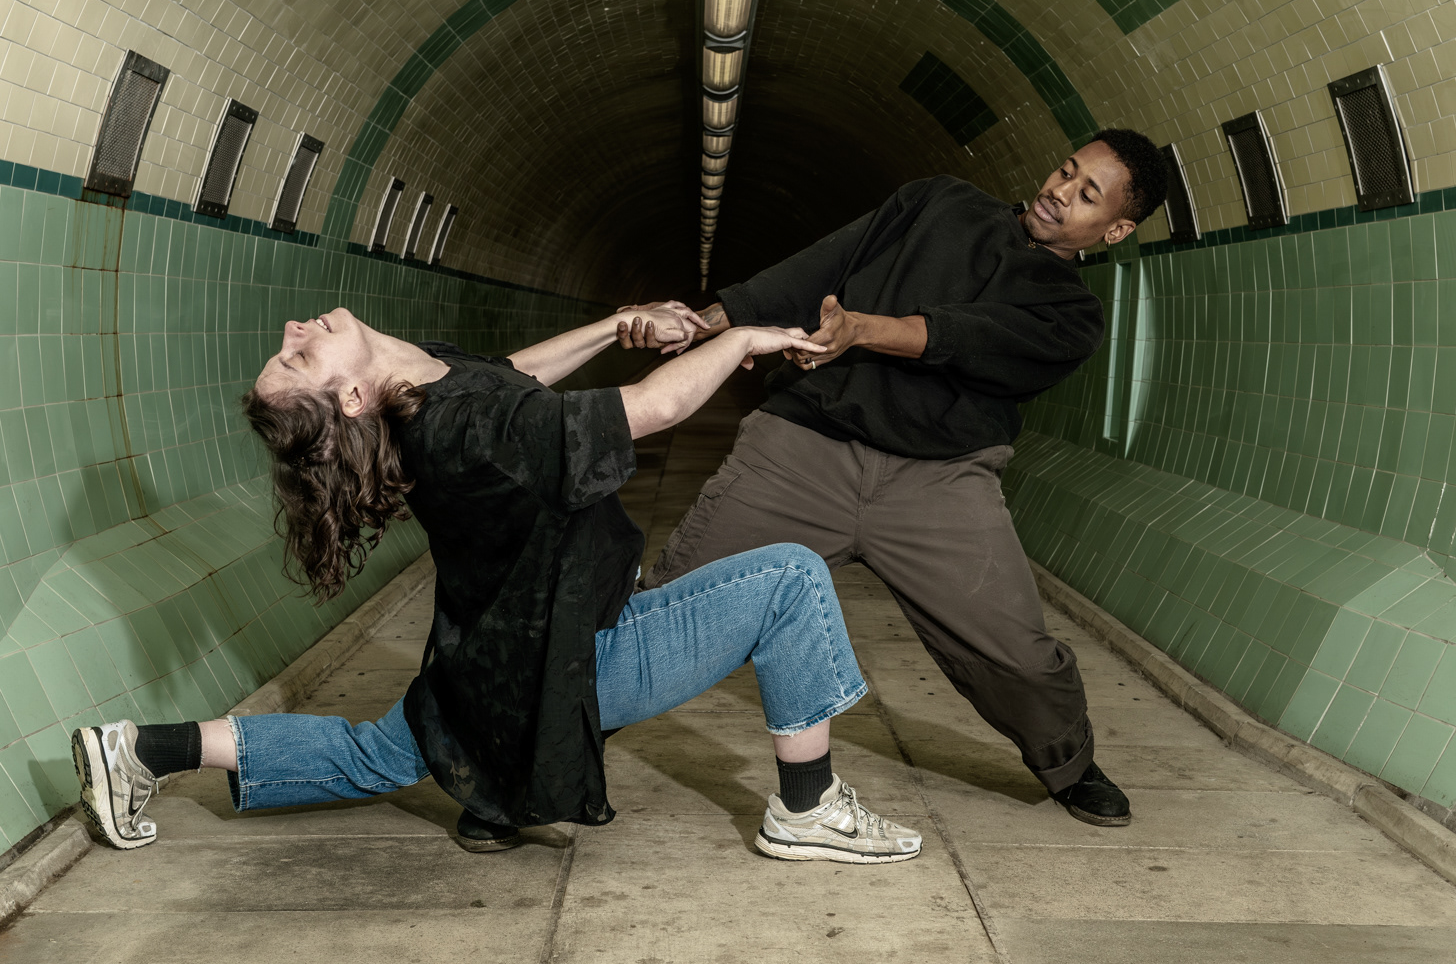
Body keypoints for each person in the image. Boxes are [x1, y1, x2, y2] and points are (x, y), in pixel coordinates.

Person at [72, 303, 922, 865]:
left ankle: (140, 750)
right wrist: (740, 342)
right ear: (355, 394)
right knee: (789, 579)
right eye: (300, 355)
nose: (296, 328)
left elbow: (511, 375)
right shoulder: (465, 430)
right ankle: (807, 809)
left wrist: (612, 324)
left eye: (291, 346)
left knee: (372, 756)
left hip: (488, 658)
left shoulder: (424, 391)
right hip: (573, 651)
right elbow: (652, 409)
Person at [619, 130, 1170, 826]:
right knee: (672, 604)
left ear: (1116, 229)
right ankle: (551, 738)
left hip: (940, 483)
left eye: (1087, 194)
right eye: (1065, 171)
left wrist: (861, 331)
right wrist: (707, 323)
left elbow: (964, 336)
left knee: (1020, 654)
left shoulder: (1072, 316)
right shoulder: (940, 202)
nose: (1059, 192)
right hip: (806, 450)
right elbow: (822, 263)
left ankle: (1069, 763)